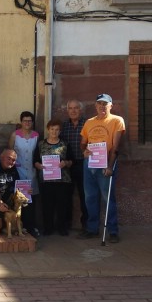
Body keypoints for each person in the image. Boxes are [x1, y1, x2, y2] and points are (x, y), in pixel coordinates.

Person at [78, 93, 125, 243]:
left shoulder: (117, 121)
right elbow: (83, 143)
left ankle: (112, 231)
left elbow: (116, 146)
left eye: (105, 104)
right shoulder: (89, 122)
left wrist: (110, 166)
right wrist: (83, 151)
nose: (102, 106)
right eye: (99, 104)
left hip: (106, 163)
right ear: (95, 105)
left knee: (108, 197)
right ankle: (92, 229)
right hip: (90, 163)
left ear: (111, 105)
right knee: (90, 197)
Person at [33, 119, 72, 236]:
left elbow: (71, 160)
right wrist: (39, 165)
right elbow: (35, 161)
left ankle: (62, 228)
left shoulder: (65, 144)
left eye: (57, 130)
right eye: (52, 129)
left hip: (62, 180)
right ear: (48, 130)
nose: (54, 132)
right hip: (46, 180)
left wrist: (65, 163)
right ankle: (48, 228)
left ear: (60, 131)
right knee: (47, 205)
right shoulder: (41, 144)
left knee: (62, 205)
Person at [8, 111, 40, 237]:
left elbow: (38, 153)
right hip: (19, 171)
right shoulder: (15, 135)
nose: (27, 123)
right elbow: (10, 152)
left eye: (29, 121)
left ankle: (30, 226)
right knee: (19, 200)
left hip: (31, 172)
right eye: (25, 120)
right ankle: (20, 226)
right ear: (21, 122)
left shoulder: (36, 135)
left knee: (31, 199)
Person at [60, 99, 87, 231]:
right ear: (67, 110)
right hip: (67, 165)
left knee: (85, 195)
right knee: (66, 196)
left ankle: (86, 225)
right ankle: (66, 224)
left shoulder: (87, 124)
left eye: (76, 108)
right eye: (70, 108)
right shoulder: (64, 126)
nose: (73, 111)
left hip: (84, 164)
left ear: (80, 110)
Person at [0, 148, 21, 229]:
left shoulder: (13, 169)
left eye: (13, 160)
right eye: (9, 158)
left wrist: (26, 191)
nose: (11, 162)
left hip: (10, 203)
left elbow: (19, 186)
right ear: (1, 157)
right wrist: (0, 203)